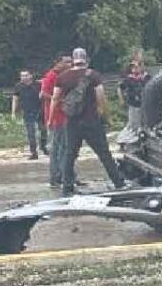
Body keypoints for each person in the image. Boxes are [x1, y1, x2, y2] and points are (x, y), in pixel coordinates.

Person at [52, 47, 125, 196]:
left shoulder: (62, 77)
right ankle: (118, 182)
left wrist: (50, 118)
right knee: (104, 153)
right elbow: (101, 97)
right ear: (86, 59)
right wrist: (106, 116)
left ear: (73, 59)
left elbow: (55, 98)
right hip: (91, 121)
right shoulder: (93, 75)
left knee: (70, 154)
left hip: (71, 122)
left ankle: (67, 187)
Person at [42, 56, 74, 188]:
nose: (69, 64)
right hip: (56, 117)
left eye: (70, 62)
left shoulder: (65, 76)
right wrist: (58, 99)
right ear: (58, 63)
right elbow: (43, 94)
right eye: (66, 62)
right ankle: (55, 177)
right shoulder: (51, 76)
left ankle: (66, 175)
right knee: (57, 149)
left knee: (65, 148)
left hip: (64, 116)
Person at [12, 70, 45, 160]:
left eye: (26, 75)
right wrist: (13, 112)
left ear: (31, 76)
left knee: (43, 130)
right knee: (31, 133)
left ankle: (44, 146)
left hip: (39, 110)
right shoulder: (18, 86)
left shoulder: (38, 85)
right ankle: (33, 152)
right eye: (22, 76)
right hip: (27, 112)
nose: (24, 77)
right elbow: (15, 99)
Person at [118, 61, 149, 138]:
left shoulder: (145, 77)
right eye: (132, 67)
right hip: (133, 103)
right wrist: (121, 99)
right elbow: (120, 88)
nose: (134, 69)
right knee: (133, 123)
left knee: (144, 123)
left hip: (144, 103)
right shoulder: (128, 79)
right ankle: (126, 138)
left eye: (136, 67)